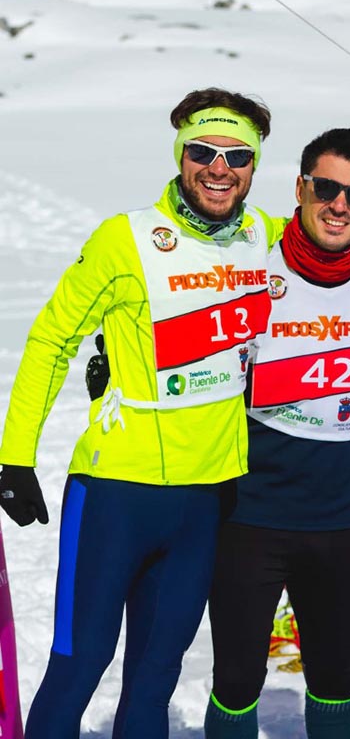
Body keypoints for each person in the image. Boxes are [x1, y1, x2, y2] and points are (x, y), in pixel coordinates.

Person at [0, 88, 275, 737]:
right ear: (181, 156)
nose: (219, 168)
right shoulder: (124, 240)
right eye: (203, 152)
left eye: (237, 156)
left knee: (156, 673)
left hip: (204, 499)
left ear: (253, 167)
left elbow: (333, 236)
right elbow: (49, 341)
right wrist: (15, 455)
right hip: (116, 493)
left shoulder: (264, 235)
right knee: (81, 662)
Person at [202, 129, 350, 738]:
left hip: (339, 524)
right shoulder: (249, 260)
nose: (340, 204)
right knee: (237, 680)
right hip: (249, 520)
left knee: (336, 679)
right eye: (327, 187)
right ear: (300, 187)